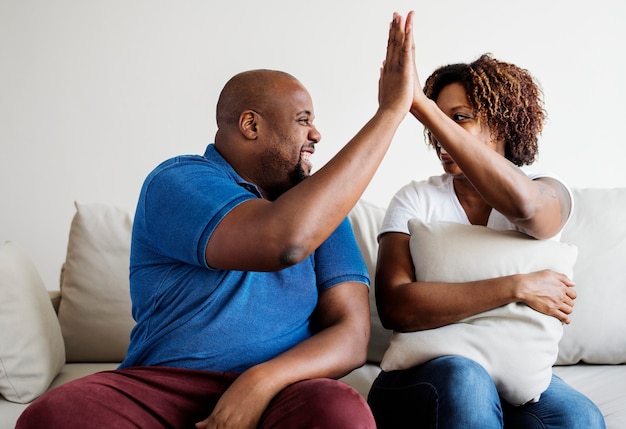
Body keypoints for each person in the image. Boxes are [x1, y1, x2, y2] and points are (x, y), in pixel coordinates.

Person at [16, 11, 416, 429]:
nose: (316, 133)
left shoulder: (324, 209)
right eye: (303, 120)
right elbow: (284, 241)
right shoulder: (179, 180)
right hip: (162, 386)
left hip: (281, 389)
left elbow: (351, 335)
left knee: (340, 411)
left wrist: (260, 382)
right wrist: (389, 113)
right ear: (250, 125)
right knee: (52, 417)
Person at [367, 54, 606, 428]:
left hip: (514, 370)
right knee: (467, 381)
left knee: (580, 417)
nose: (440, 133)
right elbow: (396, 306)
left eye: (459, 117)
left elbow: (527, 208)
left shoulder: (546, 190)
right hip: (423, 378)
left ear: (501, 123)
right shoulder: (415, 199)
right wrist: (516, 287)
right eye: (433, 120)